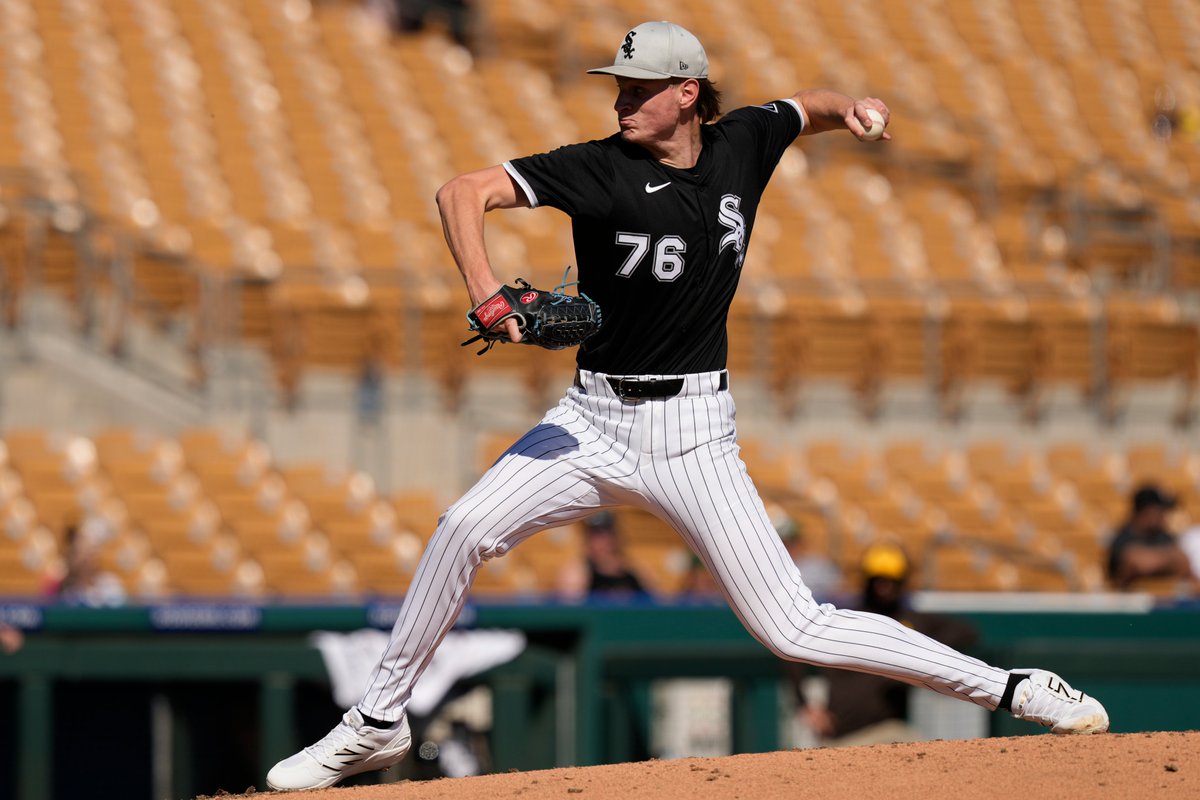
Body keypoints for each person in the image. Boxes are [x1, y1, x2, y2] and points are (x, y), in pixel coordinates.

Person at [266, 20, 1110, 791]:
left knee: (794, 630)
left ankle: (1012, 688)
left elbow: (804, 107)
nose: (621, 100)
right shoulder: (599, 167)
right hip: (590, 422)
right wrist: (486, 292)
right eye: (619, 85)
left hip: (693, 434)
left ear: (687, 93)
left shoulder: (743, 142)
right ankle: (376, 721)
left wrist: (849, 108)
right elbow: (461, 191)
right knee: (461, 528)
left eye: (638, 88)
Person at [788, 541, 977, 746]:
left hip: (886, 729)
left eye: (891, 582)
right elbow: (794, 648)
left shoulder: (909, 621)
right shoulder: (848, 619)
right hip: (839, 736)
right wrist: (805, 706)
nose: (884, 588)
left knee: (915, 744)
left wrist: (911, 656)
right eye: (878, 581)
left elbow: (965, 632)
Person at [1107, 484, 1197, 590]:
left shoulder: (1163, 537)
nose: (1164, 515)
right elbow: (1134, 563)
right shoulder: (1123, 538)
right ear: (1145, 511)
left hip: (1164, 598)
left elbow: (1183, 561)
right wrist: (1168, 559)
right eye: (1160, 510)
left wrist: (1155, 560)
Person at [557, 510, 651, 599]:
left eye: (605, 534)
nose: (602, 541)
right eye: (594, 535)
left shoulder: (633, 571)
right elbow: (570, 606)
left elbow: (653, 602)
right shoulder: (578, 574)